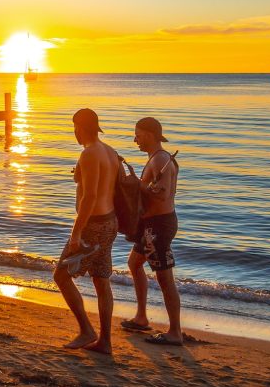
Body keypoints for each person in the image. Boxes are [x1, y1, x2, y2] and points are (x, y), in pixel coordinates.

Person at [53, 108, 120, 354]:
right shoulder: (110, 152)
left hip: (93, 225)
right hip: (110, 222)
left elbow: (90, 198)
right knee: (101, 280)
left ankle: (86, 331)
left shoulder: (90, 154)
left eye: (75, 128)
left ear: (78, 128)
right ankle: (105, 341)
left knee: (61, 276)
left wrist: (76, 234)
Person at [122, 116, 183, 346]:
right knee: (134, 264)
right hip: (150, 225)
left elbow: (162, 193)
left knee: (165, 278)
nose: (135, 139)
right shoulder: (156, 158)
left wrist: (139, 185)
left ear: (148, 134)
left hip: (159, 225)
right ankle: (141, 317)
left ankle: (175, 331)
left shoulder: (160, 160)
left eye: (137, 135)